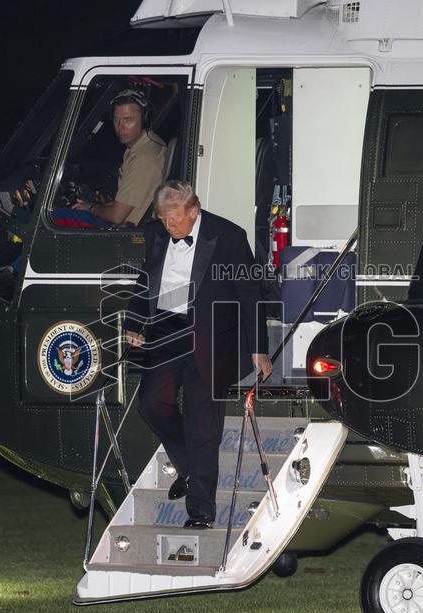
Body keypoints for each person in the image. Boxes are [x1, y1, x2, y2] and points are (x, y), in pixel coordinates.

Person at [125, 181, 273, 529]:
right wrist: (136, 321)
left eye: (173, 219)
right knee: (151, 404)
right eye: (163, 220)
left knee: (203, 425)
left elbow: (250, 293)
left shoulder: (229, 236)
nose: (168, 227)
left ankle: (202, 512)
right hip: (165, 330)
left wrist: (258, 348)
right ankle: (190, 468)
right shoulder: (156, 234)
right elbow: (147, 280)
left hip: (210, 339)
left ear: (194, 211)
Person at [72, 89, 167, 226]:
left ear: (144, 119)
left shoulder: (143, 158)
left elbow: (116, 216)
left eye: (128, 120)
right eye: (116, 120)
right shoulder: (146, 144)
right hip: (129, 225)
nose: (120, 127)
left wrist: (91, 207)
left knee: (58, 217)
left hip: (127, 231)